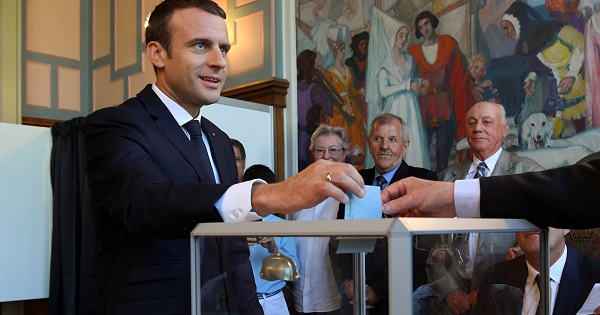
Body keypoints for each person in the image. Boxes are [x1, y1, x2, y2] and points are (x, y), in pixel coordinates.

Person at [84, 1, 365, 314]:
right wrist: (268, 194)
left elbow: (234, 251)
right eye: (201, 45)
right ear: (157, 53)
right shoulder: (115, 124)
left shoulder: (217, 139)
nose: (219, 62)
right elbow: (145, 202)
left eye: (225, 48)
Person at [435, 101, 544, 312]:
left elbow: (543, 238)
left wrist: (487, 289)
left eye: (487, 122)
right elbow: (433, 245)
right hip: (450, 301)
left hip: (504, 295)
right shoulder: (446, 178)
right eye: (472, 123)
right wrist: (449, 290)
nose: (478, 128)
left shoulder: (528, 173)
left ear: (504, 130)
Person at [335, 113, 437, 314]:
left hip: (403, 297)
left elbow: (424, 248)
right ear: (369, 143)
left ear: (405, 146)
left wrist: (380, 290)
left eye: (392, 140)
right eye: (377, 139)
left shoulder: (423, 180)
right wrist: (347, 283)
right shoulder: (353, 181)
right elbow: (339, 237)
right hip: (355, 299)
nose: (384, 146)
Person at [379, 157, 600, 229]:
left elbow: (577, 189)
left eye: (487, 122)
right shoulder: (449, 172)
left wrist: (451, 195)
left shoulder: (526, 166)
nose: (478, 129)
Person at [501, 1, 587, 136]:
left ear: (517, 21)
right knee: (550, 139)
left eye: (507, 27)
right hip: (554, 95)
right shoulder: (527, 45)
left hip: (574, 88)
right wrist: (532, 78)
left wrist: (571, 74)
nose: (506, 32)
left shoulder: (552, 29)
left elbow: (580, 41)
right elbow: (539, 66)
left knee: (583, 134)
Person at [475, 227, 600, 314]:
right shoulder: (495, 276)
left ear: (566, 226)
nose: (533, 221)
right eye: (524, 214)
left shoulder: (596, 275)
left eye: (543, 211)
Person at [293, 124, 349, 315]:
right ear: (313, 154)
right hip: (300, 296)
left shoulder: (353, 195)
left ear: (344, 153)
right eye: (320, 150)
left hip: (336, 298)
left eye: (333, 150)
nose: (326, 156)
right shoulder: (300, 192)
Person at [365, 7, 429, 169]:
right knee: (393, 138)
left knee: (413, 141)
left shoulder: (409, 58)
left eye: (406, 36)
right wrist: (407, 85)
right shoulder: (385, 63)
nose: (404, 39)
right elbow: (384, 90)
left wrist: (419, 81)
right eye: (400, 35)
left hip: (411, 106)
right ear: (392, 36)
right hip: (395, 107)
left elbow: (412, 79)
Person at [408, 10, 469, 172]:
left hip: (443, 104)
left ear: (432, 23)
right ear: (418, 31)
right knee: (423, 153)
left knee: (443, 152)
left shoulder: (447, 43)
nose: (425, 29)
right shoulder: (413, 52)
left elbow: (460, 70)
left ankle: (440, 181)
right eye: (421, 27)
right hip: (424, 107)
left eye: (427, 23)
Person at [242, 164, 299, 315]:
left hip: (273, 302)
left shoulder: (283, 227)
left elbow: (294, 273)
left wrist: (274, 249)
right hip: (241, 300)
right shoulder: (234, 224)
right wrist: (239, 244)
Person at [325, 40, 367, 170]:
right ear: (335, 52)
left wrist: (358, 91)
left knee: (356, 141)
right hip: (339, 114)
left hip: (352, 110)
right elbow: (329, 98)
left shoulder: (348, 70)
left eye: (344, 50)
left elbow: (350, 92)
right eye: (341, 50)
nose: (344, 52)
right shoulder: (329, 73)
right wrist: (342, 108)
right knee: (341, 141)